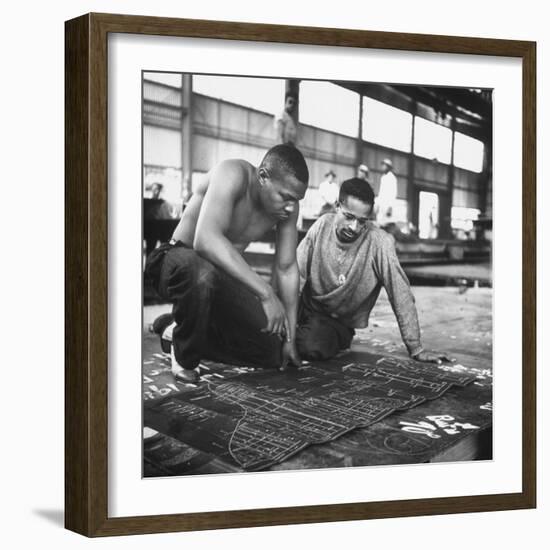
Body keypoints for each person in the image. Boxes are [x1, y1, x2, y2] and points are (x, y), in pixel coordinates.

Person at [145, 145, 308, 383]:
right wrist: (266, 294)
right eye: (286, 197)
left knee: (273, 350)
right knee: (202, 272)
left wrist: (290, 338)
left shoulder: (286, 209)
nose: (292, 207)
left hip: (218, 277)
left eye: (297, 200)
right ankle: (184, 353)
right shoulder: (232, 174)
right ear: (263, 176)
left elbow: (287, 268)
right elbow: (205, 240)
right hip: (175, 260)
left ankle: (174, 329)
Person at [295, 177, 452, 365]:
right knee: (267, 327)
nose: (354, 227)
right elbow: (295, 274)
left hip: (335, 322)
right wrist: (285, 316)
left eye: (362, 221)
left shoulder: (379, 242)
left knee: (309, 346)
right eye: (349, 217)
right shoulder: (322, 225)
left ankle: (320, 337)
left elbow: (400, 292)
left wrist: (416, 347)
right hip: (302, 307)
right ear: (337, 206)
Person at [376, 158, 398, 225]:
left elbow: (393, 193)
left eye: (384, 165)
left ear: (388, 167)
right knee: (379, 223)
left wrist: (390, 207)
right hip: (382, 205)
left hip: (387, 205)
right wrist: (378, 204)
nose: (382, 167)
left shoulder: (392, 178)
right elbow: (381, 192)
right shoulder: (383, 177)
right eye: (382, 165)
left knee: (386, 225)